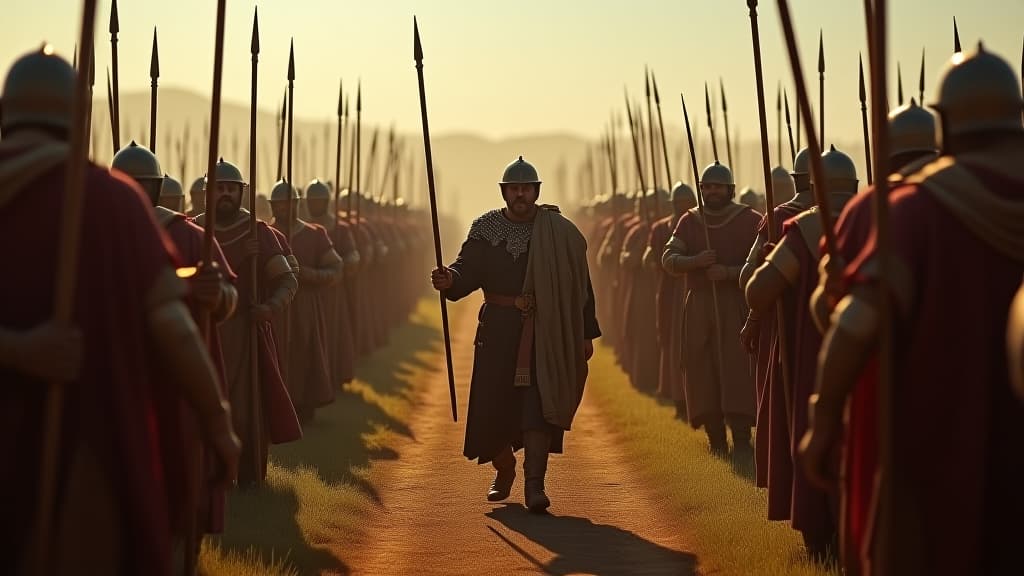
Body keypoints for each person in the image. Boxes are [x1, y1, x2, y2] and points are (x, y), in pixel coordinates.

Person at [0, 46, 239, 575]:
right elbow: (171, 327)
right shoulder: (110, 203)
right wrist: (217, 423)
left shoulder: (114, 205)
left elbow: (184, 303)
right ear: (76, 119)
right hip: (84, 448)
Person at [799, 45, 1024, 574]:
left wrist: (824, 417)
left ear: (947, 124)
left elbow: (854, 326)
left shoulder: (910, 212)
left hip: (937, 447)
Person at [430, 156, 601, 513]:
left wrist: (585, 333)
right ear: (505, 192)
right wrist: (451, 280)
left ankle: (534, 485)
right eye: (514, 189)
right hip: (497, 330)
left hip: (545, 331)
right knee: (492, 406)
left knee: (538, 406)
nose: (520, 194)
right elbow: (466, 270)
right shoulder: (485, 229)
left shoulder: (557, 231)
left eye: (526, 188)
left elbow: (579, 286)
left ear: (536, 191)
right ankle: (504, 467)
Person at [744, 146, 859, 561]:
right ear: (857, 184)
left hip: (812, 354)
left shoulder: (804, 228)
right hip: (871, 360)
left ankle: (819, 535)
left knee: (813, 431)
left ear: (810, 187)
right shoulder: (884, 216)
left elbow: (757, 290)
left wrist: (768, 258)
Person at [194, 160, 302, 486]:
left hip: (244, 330)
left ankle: (250, 476)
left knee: (246, 409)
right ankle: (206, 477)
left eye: (231, 189)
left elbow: (287, 280)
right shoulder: (194, 230)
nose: (224, 195)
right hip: (202, 331)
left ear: (241, 193)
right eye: (219, 189)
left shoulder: (257, 232)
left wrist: (270, 307)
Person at [661, 162, 761, 456]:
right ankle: (715, 437)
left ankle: (742, 438)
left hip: (735, 305)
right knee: (700, 367)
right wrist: (695, 262)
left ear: (730, 189)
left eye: (717, 186)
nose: (711, 191)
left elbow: (760, 261)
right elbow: (669, 257)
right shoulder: (690, 221)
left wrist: (729, 272)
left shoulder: (749, 219)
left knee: (736, 366)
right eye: (706, 186)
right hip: (699, 305)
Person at [269, 180, 343, 421]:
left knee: (305, 353)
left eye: (286, 204)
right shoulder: (266, 234)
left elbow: (336, 267)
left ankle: (305, 406)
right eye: (278, 205)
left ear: (296, 205)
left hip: (306, 307)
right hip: (277, 307)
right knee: (278, 354)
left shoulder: (314, 234)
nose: (282, 209)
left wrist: (309, 275)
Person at [644, 182, 696, 417]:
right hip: (672, 293)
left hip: (696, 289)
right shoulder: (661, 228)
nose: (684, 207)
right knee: (674, 344)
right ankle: (679, 399)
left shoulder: (700, 225)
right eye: (681, 203)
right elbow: (649, 260)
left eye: (688, 204)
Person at [305, 179, 358, 385]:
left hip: (333, 291)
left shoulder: (340, 228)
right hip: (310, 291)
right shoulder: (305, 227)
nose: (315, 205)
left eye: (319, 201)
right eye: (312, 201)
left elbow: (352, 254)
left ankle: (336, 375)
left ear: (326, 202)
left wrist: (344, 265)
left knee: (334, 333)